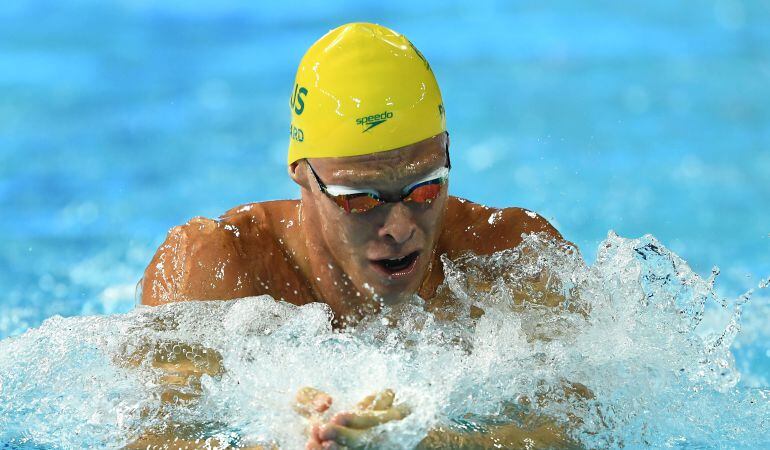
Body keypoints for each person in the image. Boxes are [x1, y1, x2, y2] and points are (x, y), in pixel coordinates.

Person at [137, 22, 576, 449]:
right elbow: (152, 439)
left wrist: (438, 441)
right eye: (361, 199)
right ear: (301, 173)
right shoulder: (213, 268)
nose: (400, 227)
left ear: (447, 151)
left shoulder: (511, 256)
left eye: (425, 187)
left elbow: (588, 427)